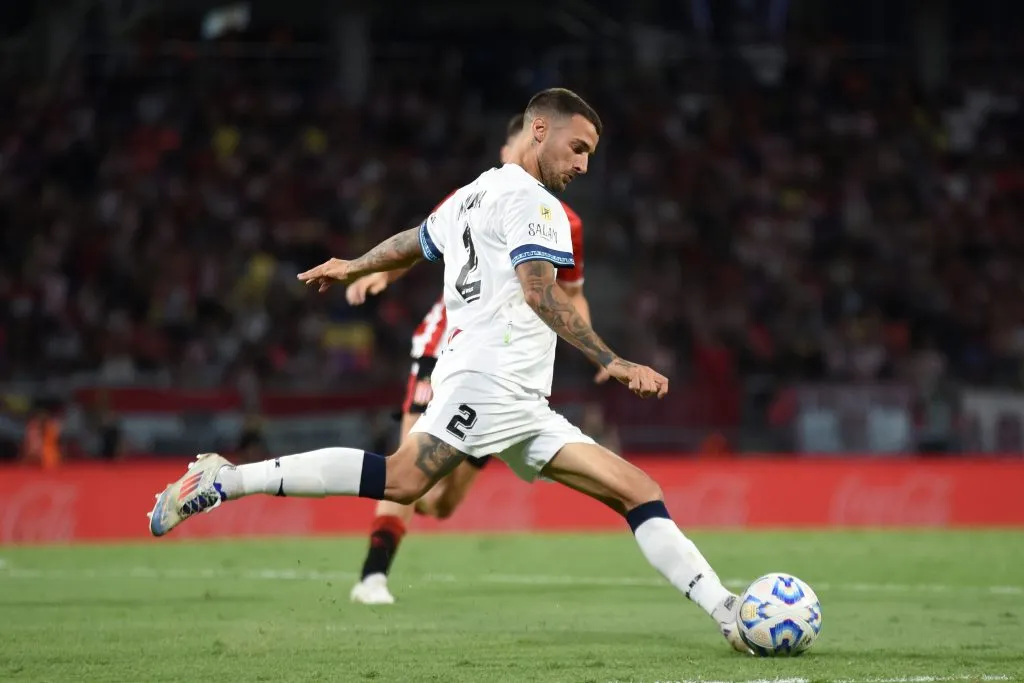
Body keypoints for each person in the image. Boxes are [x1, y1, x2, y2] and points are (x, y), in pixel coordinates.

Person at [147, 88, 749, 654]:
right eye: (579, 147)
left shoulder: (476, 191)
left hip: (520, 399)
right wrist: (613, 361)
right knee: (405, 481)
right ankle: (228, 480)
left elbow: (415, 240)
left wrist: (356, 265)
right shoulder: (534, 203)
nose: (585, 164)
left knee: (638, 491)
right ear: (539, 130)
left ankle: (728, 613)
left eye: (591, 154)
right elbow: (541, 295)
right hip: (488, 382)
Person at [345, 114, 601, 605]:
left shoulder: (566, 223)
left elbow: (572, 292)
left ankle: (399, 508)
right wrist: (380, 274)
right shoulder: (477, 193)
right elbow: (422, 241)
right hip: (447, 341)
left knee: (440, 502)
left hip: (504, 368)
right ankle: (372, 576)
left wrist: (592, 348)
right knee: (406, 468)